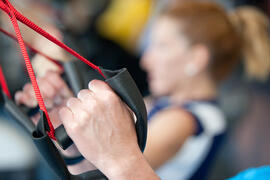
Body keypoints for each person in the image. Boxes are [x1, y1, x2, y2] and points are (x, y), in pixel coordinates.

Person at [15, 1, 270, 179]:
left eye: (161, 46)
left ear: (197, 58)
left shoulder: (184, 120)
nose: (146, 59)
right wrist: (62, 118)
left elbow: (106, 168)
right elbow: (88, 165)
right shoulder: (165, 105)